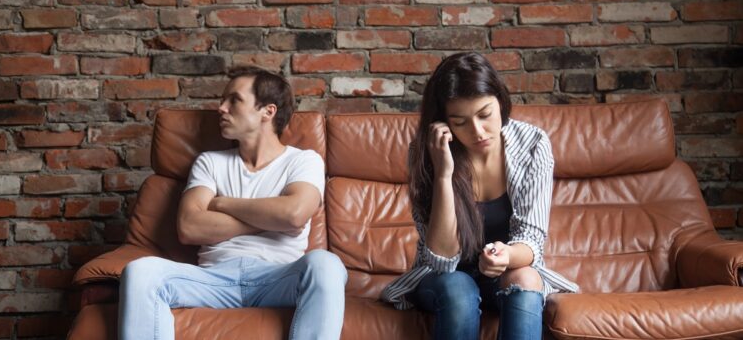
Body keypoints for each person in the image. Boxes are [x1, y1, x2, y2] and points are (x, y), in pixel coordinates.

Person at [119, 66, 347, 340]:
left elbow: (294, 214)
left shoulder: (303, 160)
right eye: (222, 100)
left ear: (268, 111)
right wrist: (271, 222)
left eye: (234, 100)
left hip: (278, 278)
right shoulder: (210, 161)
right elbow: (189, 227)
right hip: (213, 278)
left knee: (327, 265)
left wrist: (222, 204)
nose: (221, 108)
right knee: (140, 271)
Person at [381, 52, 578, 340]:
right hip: (443, 281)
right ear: (444, 123)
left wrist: (506, 255)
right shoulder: (427, 151)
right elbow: (441, 261)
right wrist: (443, 174)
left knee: (525, 278)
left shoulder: (533, 144)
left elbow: (532, 243)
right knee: (458, 287)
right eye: (460, 122)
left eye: (485, 115)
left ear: (500, 101)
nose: (478, 132)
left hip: (505, 273)